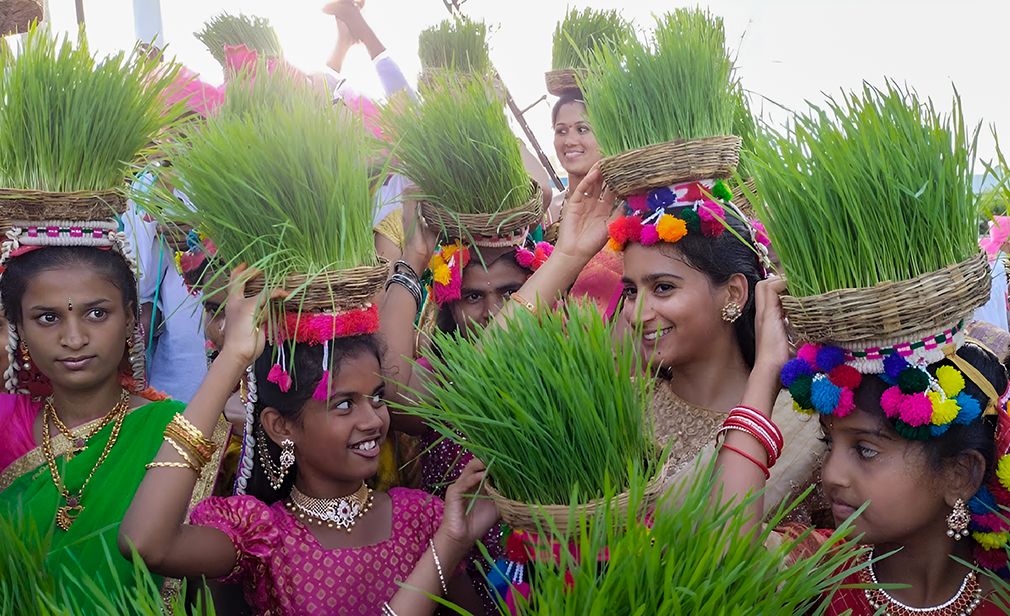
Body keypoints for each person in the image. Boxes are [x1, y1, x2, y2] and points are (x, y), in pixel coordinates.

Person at [119, 267, 499, 616]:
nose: (374, 420)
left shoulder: (423, 517)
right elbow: (146, 544)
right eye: (345, 404)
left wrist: (450, 541)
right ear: (281, 426)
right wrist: (233, 357)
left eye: (378, 397)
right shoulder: (264, 538)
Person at [496, 165, 823, 517]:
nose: (637, 315)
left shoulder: (806, 427)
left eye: (663, 288)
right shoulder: (620, 402)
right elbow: (487, 376)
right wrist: (568, 257)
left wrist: (766, 373)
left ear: (732, 293)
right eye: (632, 292)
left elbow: (729, 548)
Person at [714, 287, 1009, 612]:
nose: (832, 474)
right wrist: (767, 369)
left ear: (959, 475)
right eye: (828, 443)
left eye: (866, 450)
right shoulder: (819, 570)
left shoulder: (1001, 598)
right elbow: (723, 554)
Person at [0, 237, 228, 607]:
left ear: (129, 318)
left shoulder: (177, 428)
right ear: (20, 331)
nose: (74, 338)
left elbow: (210, 591)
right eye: (48, 317)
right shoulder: (6, 426)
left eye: (96, 313)